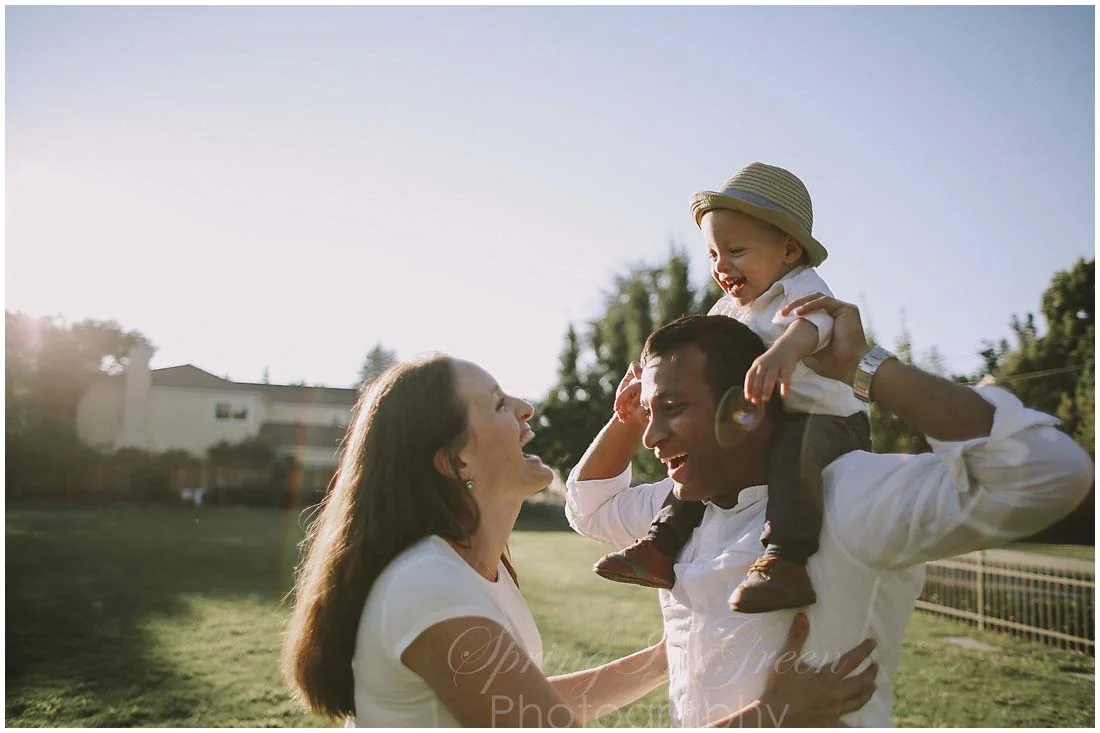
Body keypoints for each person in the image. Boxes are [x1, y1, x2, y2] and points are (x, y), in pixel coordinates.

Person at [565, 302, 1092, 727]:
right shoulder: (677, 508)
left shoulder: (844, 494)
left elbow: (1051, 474)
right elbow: (588, 506)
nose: (651, 438)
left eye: (672, 410)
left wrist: (863, 368)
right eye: (650, 417)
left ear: (744, 406)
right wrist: (629, 417)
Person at [280, 353, 879, 727]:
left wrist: (669, 657)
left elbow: (529, 704)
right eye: (497, 404)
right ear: (454, 459)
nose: (527, 408)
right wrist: (775, 716)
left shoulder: (465, 571)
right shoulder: (431, 589)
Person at [596, 162, 870, 614]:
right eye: (712, 254)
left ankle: (785, 558)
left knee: (791, 450)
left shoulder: (800, 288)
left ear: (788, 248)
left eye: (736, 250)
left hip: (828, 419)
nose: (722, 266)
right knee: (706, 454)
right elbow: (693, 351)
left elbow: (817, 324)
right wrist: (646, 379)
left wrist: (784, 351)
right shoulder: (729, 307)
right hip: (768, 414)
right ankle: (660, 546)